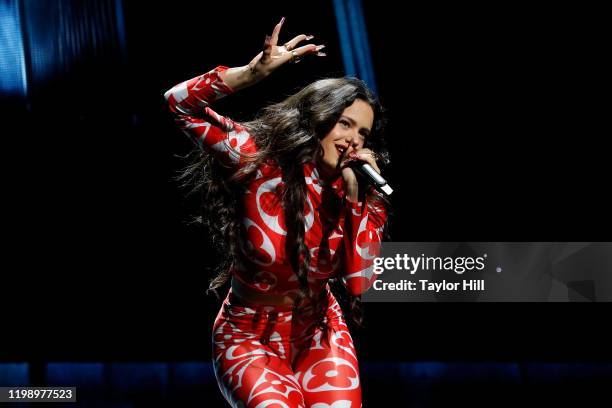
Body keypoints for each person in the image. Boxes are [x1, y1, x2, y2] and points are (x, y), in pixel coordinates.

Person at [164, 17, 390, 408]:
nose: (354, 140)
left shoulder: (362, 198)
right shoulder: (255, 159)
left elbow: (357, 284)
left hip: (320, 334)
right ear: (318, 119)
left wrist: (358, 204)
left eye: (363, 134)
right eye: (344, 124)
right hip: (247, 337)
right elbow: (179, 104)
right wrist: (250, 74)